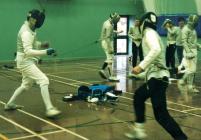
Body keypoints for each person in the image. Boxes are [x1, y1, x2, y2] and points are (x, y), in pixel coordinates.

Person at [125, 12, 187, 140]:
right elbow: (154, 63)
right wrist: (140, 74)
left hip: (158, 78)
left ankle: (140, 130)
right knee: (149, 105)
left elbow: (156, 50)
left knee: (154, 109)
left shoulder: (149, 33)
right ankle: (140, 130)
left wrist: (141, 66)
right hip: (158, 77)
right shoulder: (151, 33)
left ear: (143, 23)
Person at [4, 9, 61, 118]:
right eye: (38, 19)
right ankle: (49, 109)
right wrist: (46, 52)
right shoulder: (26, 32)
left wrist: (41, 44)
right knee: (44, 80)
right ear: (32, 19)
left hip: (25, 60)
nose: (39, 22)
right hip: (25, 61)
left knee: (26, 85)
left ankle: (9, 104)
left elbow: (32, 44)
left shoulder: (31, 29)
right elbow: (28, 51)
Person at [178, 14, 200, 94]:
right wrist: (188, 52)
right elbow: (184, 42)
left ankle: (183, 80)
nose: (195, 23)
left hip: (193, 51)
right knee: (192, 70)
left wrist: (198, 46)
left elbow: (192, 41)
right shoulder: (185, 29)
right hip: (189, 52)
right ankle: (189, 86)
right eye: (194, 21)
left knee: (192, 70)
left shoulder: (193, 29)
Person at [98, 13, 122, 81]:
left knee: (109, 58)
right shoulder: (109, 25)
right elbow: (108, 37)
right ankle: (111, 76)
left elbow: (109, 32)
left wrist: (117, 32)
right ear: (114, 18)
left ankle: (102, 70)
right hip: (106, 42)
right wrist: (110, 48)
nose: (118, 21)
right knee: (110, 60)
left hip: (105, 41)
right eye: (117, 19)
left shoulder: (107, 22)